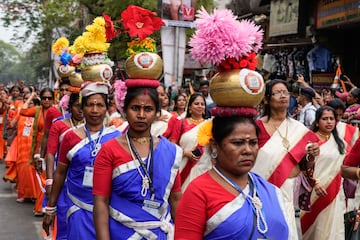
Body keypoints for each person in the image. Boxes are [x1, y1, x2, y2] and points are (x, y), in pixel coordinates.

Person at [175, 116, 292, 239]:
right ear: (215, 145)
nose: (248, 150)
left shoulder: (270, 190)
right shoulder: (198, 192)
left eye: (253, 143)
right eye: (238, 143)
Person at [93, 85, 182, 239]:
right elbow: (101, 201)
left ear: (156, 113)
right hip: (121, 233)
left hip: (160, 233)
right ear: (125, 111)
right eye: (135, 108)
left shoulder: (170, 151)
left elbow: (175, 199)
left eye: (148, 109)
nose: (141, 115)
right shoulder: (109, 150)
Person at [43, 82, 121, 239]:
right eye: (89, 105)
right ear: (82, 108)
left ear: (106, 108)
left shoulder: (117, 138)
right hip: (78, 207)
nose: (94, 110)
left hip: (109, 210)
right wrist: (50, 208)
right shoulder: (70, 137)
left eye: (100, 105)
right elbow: (60, 173)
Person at [252, 79, 319, 239]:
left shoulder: (299, 129)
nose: (283, 96)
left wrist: (311, 155)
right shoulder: (255, 127)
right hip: (261, 188)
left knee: (286, 230)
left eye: (285, 92)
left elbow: (305, 166)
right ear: (266, 99)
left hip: (287, 190)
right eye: (277, 93)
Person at [300, 106, 347, 240]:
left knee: (333, 227)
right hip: (314, 190)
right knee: (315, 228)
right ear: (316, 122)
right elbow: (303, 166)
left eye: (332, 119)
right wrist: (316, 182)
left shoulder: (340, 143)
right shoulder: (309, 140)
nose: (329, 122)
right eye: (324, 119)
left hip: (334, 192)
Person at [44, 92, 84, 239]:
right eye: (76, 107)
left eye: (82, 107)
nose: (80, 110)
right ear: (69, 108)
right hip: (64, 181)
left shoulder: (95, 129)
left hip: (86, 184)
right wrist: (50, 181)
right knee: (64, 220)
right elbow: (50, 153)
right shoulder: (59, 126)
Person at [169, 93, 206, 187]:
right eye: (196, 104)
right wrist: (185, 153)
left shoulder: (209, 125)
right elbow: (171, 146)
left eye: (202, 104)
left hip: (204, 167)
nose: (200, 106)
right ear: (190, 107)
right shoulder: (181, 123)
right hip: (183, 165)